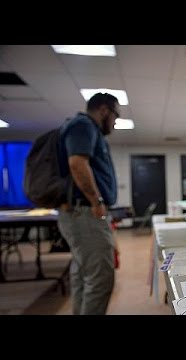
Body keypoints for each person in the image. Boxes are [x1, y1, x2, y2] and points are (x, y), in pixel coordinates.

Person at [57, 92, 119, 314]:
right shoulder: (83, 125)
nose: (115, 121)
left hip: (80, 213)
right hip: (84, 212)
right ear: (104, 110)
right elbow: (77, 164)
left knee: (84, 276)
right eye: (116, 115)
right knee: (100, 278)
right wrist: (97, 201)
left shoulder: (86, 129)